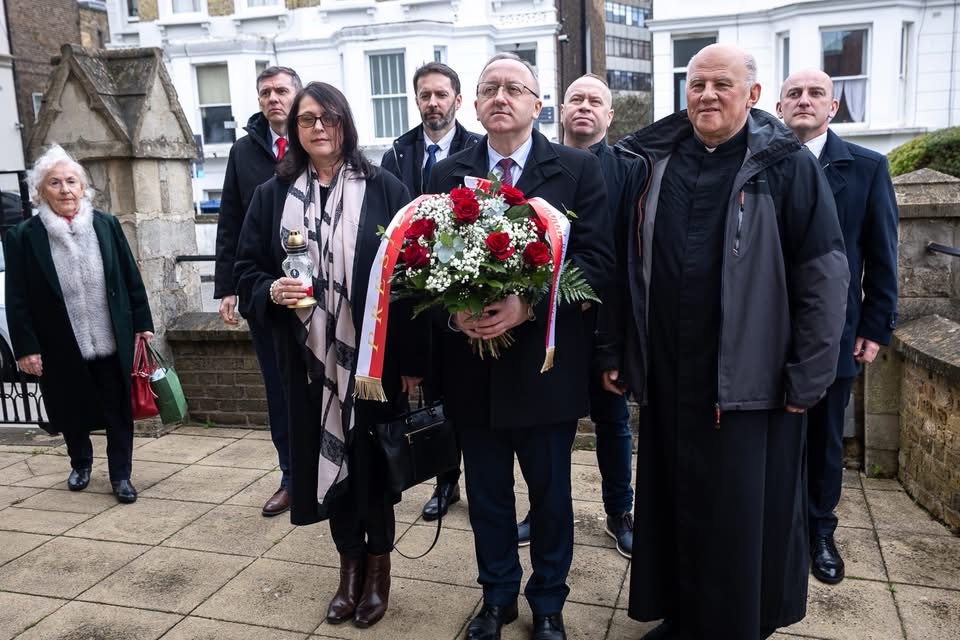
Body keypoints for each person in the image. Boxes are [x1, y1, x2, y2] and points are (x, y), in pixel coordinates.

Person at [598, 44, 849, 639]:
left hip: (748, 381)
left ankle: (733, 624)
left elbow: (825, 270)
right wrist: (617, 351)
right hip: (668, 373)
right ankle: (684, 615)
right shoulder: (652, 161)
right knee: (675, 503)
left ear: (754, 95)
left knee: (737, 515)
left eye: (721, 84)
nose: (706, 95)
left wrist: (810, 373)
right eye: (696, 84)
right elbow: (622, 266)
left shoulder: (785, 164)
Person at [426, 53, 613, 640]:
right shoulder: (446, 174)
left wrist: (528, 305)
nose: (500, 97)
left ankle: (549, 602)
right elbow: (423, 261)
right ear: (474, 104)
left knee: (551, 498)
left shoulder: (579, 170)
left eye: (515, 88)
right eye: (489, 89)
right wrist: (455, 312)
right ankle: (498, 596)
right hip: (471, 373)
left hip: (544, 370)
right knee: (485, 497)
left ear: (538, 104)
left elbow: (600, 263)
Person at [234, 82, 425, 629]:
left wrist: (412, 362)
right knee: (330, 468)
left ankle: (379, 571)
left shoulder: (386, 188)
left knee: (373, 468)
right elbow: (247, 268)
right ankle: (348, 572)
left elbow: (411, 282)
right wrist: (270, 291)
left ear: (346, 123)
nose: (319, 128)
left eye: (329, 118)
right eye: (307, 119)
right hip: (308, 362)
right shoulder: (273, 196)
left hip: (372, 364)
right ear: (294, 129)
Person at [777, 68, 899, 585]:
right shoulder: (763, 164)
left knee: (825, 438)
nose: (804, 101)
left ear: (833, 107)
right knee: (772, 436)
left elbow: (882, 251)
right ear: (779, 106)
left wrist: (876, 324)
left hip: (838, 332)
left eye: (815, 94)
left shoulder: (867, 167)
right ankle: (773, 529)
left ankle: (819, 531)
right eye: (794, 94)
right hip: (766, 331)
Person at [516, 73, 635, 558]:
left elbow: (625, 259)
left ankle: (619, 510)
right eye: (576, 99)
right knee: (545, 431)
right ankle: (541, 511)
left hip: (605, 327)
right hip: (549, 329)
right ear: (559, 110)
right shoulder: (539, 165)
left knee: (613, 423)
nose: (585, 107)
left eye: (596, 101)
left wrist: (618, 342)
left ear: (609, 116)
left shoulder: (629, 171)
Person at [4, 144, 154, 504]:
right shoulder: (23, 236)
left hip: (110, 336)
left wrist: (142, 323)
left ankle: (121, 475)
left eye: (72, 181)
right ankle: (81, 463)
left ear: (83, 187)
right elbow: (18, 296)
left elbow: (130, 276)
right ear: (41, 191)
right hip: (59, 340)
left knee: (118, 409)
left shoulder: (106, 225)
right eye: (54, 183)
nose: (65, 189)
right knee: (69, 406)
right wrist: (26, 348)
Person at [379, 61, 482, 522]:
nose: (433, 103)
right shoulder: (397, 154)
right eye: (425, 95)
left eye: (442, 94)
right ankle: (445, 481)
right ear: (416, 100)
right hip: (415, 296)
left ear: (458, 100)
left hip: (463, 294)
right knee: (431, 393)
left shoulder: (476, 151)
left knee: (467, 396)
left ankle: (480, 478)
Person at [214, 65, 302, 518]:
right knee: (278, 389)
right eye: (265, 92)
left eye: (281, 90)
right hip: (264, 295)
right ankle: (290, 476)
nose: (273, 99)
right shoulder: (243, 152)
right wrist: (227, 287)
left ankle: (332, 471)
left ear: (297, 94)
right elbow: (228, 219)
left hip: (314, 293)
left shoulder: (317, 143)